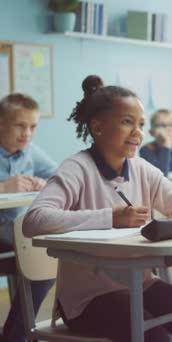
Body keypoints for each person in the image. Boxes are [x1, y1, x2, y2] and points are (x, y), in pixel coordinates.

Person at [23, 75, 172, 342]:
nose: (138, 132)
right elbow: (34, 220)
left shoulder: (142, 168)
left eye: (141, 124)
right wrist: (111, 218)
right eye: (126, 122)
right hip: (87, 300)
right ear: (97, 127)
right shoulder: (77, 168)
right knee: (153, 335)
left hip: (140, 284)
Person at [0, 93, 57, 342]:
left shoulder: (30, 152)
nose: (27, 134)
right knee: (36, 246)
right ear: (1, 123)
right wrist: (4, 187)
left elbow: (61, 175)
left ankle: (14, 336)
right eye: (20, 126)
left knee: (46, 258)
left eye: (33, 127)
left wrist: (43, 183)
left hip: (17, 234)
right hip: (7, 234)